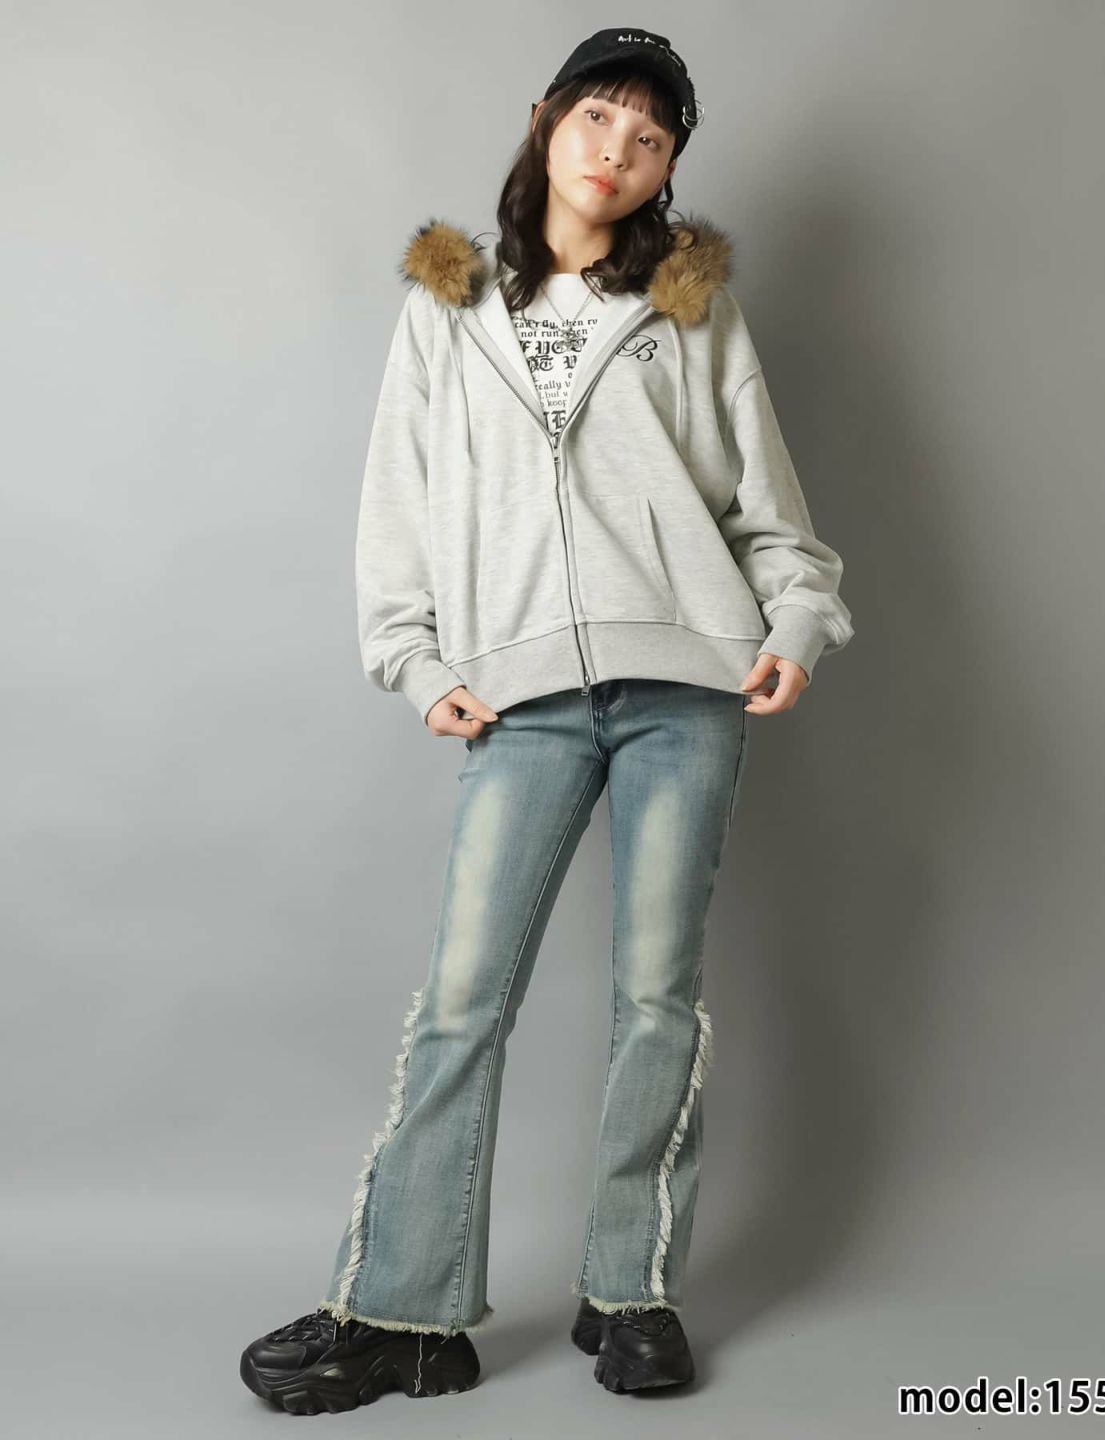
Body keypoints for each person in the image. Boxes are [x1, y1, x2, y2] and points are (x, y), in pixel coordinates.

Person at [239, 27, 854, 1414]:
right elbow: (397, 500)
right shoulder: (450, 301)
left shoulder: (692, 309)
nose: (616, 151)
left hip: (688, 690)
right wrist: (412, 661)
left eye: (650, 137)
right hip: (520, 698)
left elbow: (772, 510)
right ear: (545, 119)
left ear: (668, 166)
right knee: (463, 1003)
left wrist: (796, 628)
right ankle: (406, 1315)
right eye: (597, 118)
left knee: (658, 999)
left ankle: (632, 1290)